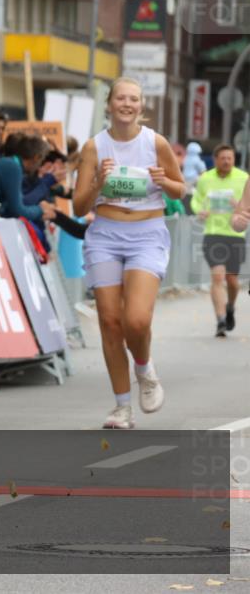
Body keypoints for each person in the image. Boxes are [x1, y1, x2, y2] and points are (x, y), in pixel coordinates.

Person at [73, 77, 185, 429]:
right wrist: (97, 185)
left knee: (136, 319)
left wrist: (163, 182)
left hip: (146, 234)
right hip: (105, 234)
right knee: (109, 321)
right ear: (109, 104)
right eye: (121, 98)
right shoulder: (94, 147)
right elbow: (78, 206)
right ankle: (122, 406)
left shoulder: (156, 143)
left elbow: (180, 190)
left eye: (134, 99)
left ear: (141, 106)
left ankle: (144, 367)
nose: (127, 104)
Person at [190, 144, 248, 337]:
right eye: (222, 158)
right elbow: (196, 199)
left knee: (232, 280)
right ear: (215, 160)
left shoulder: (243, 178)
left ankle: (230, 306)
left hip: (235, 236)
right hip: (213, 233)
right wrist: (200, 210)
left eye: (229, 158)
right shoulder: (205, 179)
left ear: (234, 159)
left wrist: (238, 206)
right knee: (217, 277)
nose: (226, 161)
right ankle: (221, 319)